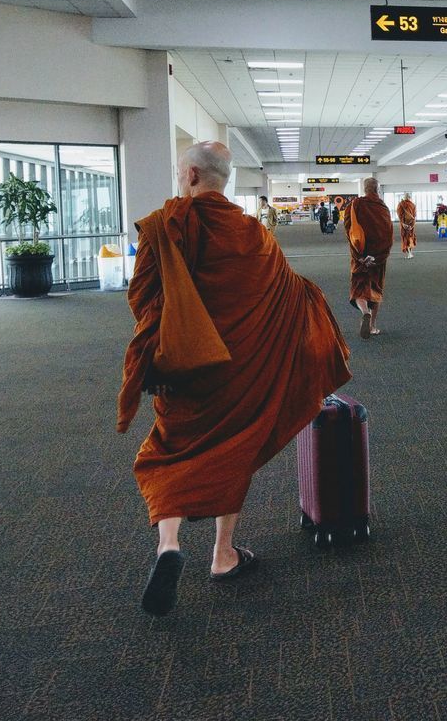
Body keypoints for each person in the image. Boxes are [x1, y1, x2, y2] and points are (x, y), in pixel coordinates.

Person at [118, 142, 350, 617]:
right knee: (235, 450)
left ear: (190, 176)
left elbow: (142, 298)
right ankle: (223, 555)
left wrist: (160, 348)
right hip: (241, 369)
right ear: (224, 180)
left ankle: (170, 544)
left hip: (184, 367)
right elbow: (288, 290)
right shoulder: (252, 232)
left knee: (166, 449)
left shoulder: (166, 226)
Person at [342, 178, 393, 340]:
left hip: (361, 255)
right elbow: (388, 234)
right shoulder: (383, 208)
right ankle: (372, 327)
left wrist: (360, 256)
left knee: (359, 288)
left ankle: (365, 312)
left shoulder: (355, 205)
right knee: (376, 289)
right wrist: (379, 257)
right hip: (378, 257)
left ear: (364, 189)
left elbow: (350, 231)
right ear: (377, 189)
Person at [397, 193, 417, 258]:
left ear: (404, 197)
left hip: (404, 224)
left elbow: (399, 215)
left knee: (405, 237)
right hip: (411, 223)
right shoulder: (413, 205)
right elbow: (414, 216)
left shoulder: (400, 204)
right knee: (410, 237)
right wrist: (412, 225)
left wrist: (403, 224)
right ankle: (410, 252)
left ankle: (409, 253)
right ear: (409, 197)